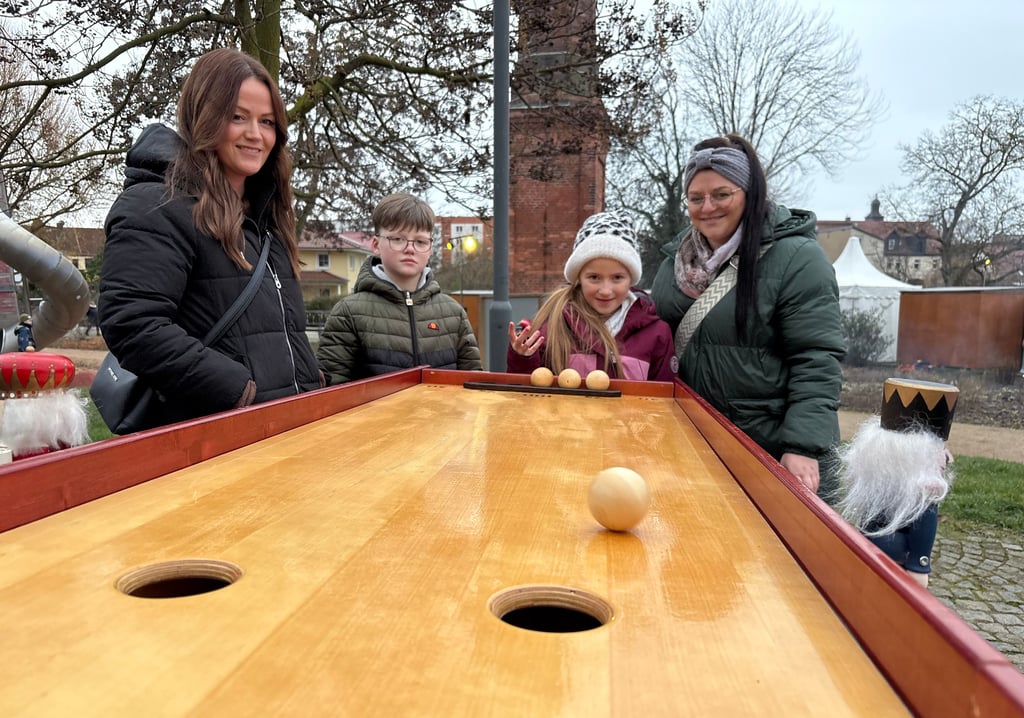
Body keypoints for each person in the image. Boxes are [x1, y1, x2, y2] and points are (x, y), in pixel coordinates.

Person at [99, 48, 322, 429]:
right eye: (238, 117)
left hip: (283, 432)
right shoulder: (157, 205)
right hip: (213, 441)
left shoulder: (265, 219)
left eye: (267, 121)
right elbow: (133, 323)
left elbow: (283, 333)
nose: (255, 134)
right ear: (205, 116)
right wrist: (238, 390)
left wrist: (312, 386)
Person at [650, 134, 845, 494]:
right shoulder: (674, 260)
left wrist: (802, 447)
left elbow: (816, 358)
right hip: (691, 445)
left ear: (749, 193)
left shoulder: (798, 259)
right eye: (696, 198)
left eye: (722, 194)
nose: (707, 207)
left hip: (765, 449)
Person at [316, 193, 482, 384]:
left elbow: (474, 386)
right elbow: (330, 394)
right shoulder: (348, 313)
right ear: (376, 245)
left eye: (420, 241)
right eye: (398, 239)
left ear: (429, 248)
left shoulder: (454, 314)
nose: (410, 248)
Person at [507, 210, 676, 382]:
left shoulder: (657, 334)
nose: (605, 290)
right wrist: (522, 358)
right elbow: (527, 394)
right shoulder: (552, 328)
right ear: (578, 278)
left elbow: (665, 398)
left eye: (617, 278)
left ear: (631, 279)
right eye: (594, 277)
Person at [835, 378, 959, 588]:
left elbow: (918, 535)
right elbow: (921, 533)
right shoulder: (914, 492)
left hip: (882, 560)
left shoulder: (898, 489)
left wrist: (917, 566)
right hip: (884, 559)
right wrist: (919, 566)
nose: (944, 462)